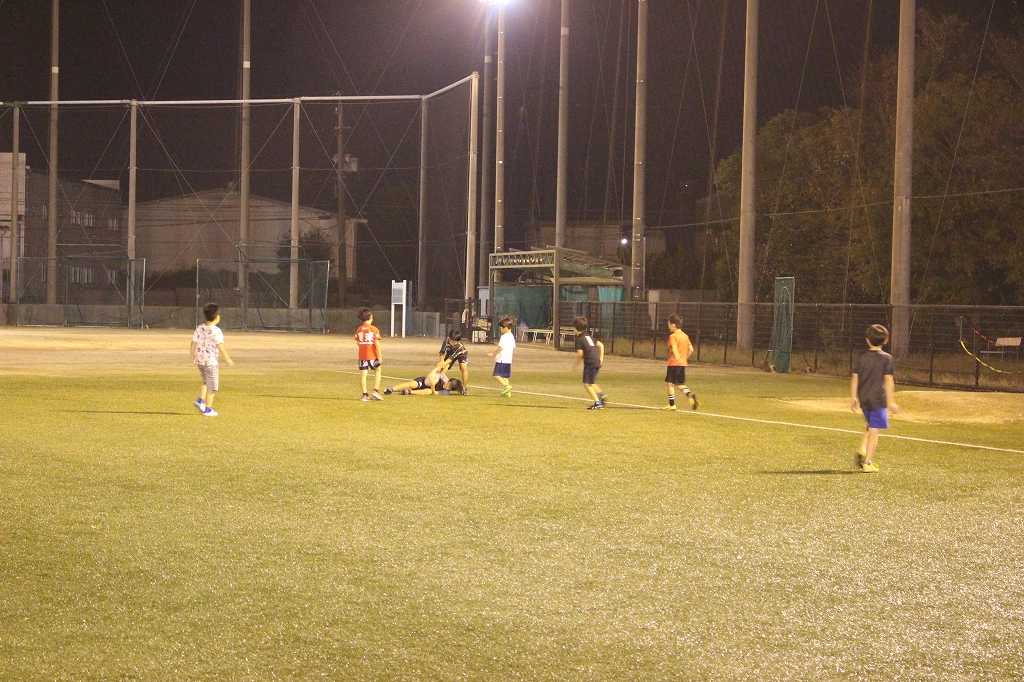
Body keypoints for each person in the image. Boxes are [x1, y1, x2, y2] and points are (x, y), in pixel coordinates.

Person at [850, 323, 900, 473]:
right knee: (874, 431)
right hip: (878, 400)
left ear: (867, 340)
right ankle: (867, 463)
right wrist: (891, 402)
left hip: (864, 398)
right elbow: (889, 380)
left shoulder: (861, 356)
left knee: (871, 425)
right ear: (886, 340)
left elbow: (855, 377)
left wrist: (853, 397)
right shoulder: (887, 358)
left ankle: (862, 449)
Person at [190, 302, 234, 417]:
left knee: (205, 381)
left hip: (200, 361)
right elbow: (220, 346)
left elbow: (193, 343)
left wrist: (193, 356)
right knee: (213, 387)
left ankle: (200, 400)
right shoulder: (216, 331)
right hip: (210, 362)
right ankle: (208, 409)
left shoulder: (199, 328)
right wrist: (227, 358)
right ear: (216, 316)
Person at [664, 313, 698, 411]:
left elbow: (674, 349)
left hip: (674, 363)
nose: (668, 327)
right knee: (679, 384)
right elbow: (691, 349)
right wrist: (684, 359)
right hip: (682, 364)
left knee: (670, 384)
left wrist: (677, 358)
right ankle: (690, 395)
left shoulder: (673, 336)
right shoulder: (685, 336)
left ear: (673, 324)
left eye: (669, 324)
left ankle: (672, 405)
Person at [573, 316, 607, 410]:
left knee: (586, 384)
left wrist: (576, 365)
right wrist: (601, 359)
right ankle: (602, 396)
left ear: (576, 328)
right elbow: (601, 345)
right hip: (596, 361)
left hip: (590, 363)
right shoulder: (588, 336)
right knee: (591, 382)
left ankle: (598, 403)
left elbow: (580, 354)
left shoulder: (579, 339)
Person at [354, 308, 384, 402]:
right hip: (372, 356)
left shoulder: (359, 329)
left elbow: (358, 342)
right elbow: (377, 344)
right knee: (378, 370)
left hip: (362, 356)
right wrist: (379, 357)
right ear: (370, 317)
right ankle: (375, 391)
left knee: (364, 375)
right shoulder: (374, 329)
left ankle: (364, 395)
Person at [383, 368, 463, 396]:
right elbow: (431, 375)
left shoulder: (446, 392)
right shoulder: (443, 377)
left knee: (429, 391)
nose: (446, 385)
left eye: (449, 387)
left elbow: (435, 393)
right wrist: (435, 370)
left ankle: (409, 392)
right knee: (413, 384)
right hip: (424, 382)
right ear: (449, 380)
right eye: (448, 383)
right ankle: (392, 389)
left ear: (451, 389)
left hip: (427, 389)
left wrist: (433, 386)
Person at [489, 316, 516, 398]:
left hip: (501, 359)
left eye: (501, 328)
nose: (500, 329)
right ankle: (507, 393)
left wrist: (493, 354)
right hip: (508, 360)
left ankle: (507, 386)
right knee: (505, 376)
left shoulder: (504, 337)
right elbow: (513, 347)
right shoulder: (512, 336)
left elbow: (500, 348)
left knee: (496, 375)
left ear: (506, 328)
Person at [438, 329, 470, 394]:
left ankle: (464, 388)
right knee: (442, 369)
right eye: (452, 341)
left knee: (463, 368)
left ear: (458, 341)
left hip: (461, 354)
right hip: (450, 352)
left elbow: (450, 360)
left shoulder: (459, 347)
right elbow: (442, 352)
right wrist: (441, 362)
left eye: (455, 342)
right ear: (449, 338)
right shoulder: (446, 340)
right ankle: (439, 385)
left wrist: (443, 364)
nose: (453, 343)